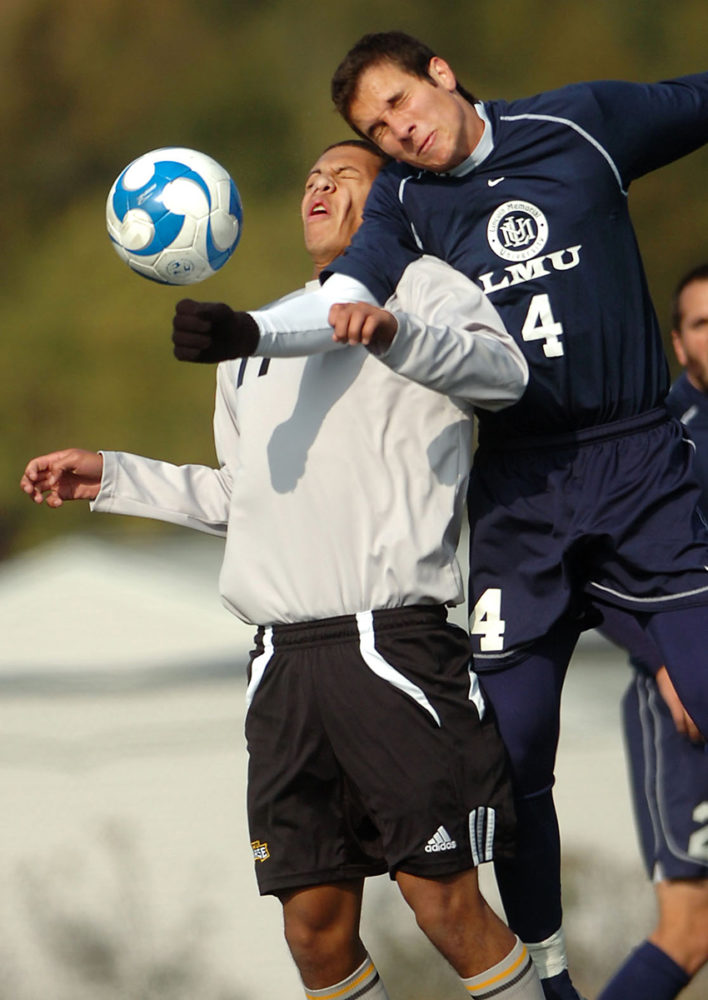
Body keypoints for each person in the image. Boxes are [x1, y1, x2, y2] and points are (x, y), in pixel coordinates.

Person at [167, 33, 708, 1000]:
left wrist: (340, 328)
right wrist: (245, 334)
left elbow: (697, 100)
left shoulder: (574, 130)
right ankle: (550, 979)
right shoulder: (404, 217)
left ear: (443, 74)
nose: (397, 131)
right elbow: (331, 310)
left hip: (630, 467)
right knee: (516, 751)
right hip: (516, 499)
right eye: (374, 128)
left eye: (397, 108)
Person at [20, 141, 545, 1000]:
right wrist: (113, 475)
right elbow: (244, 498)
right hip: (282, 665)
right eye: (310, 175)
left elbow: (506, 373)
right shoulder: (254, 337)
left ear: (392, 203)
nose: (318, 184)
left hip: (395, 650)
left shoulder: (430, 291)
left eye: (345, 175)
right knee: (313, 932)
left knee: (443, 904)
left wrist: (394, 329)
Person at [594, 264, 708, 1000]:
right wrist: (664, 661)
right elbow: (590, 567)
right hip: (685, 713)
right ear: (677, 342)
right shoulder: (662, 441)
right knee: (691, 926)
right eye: (702, 323)